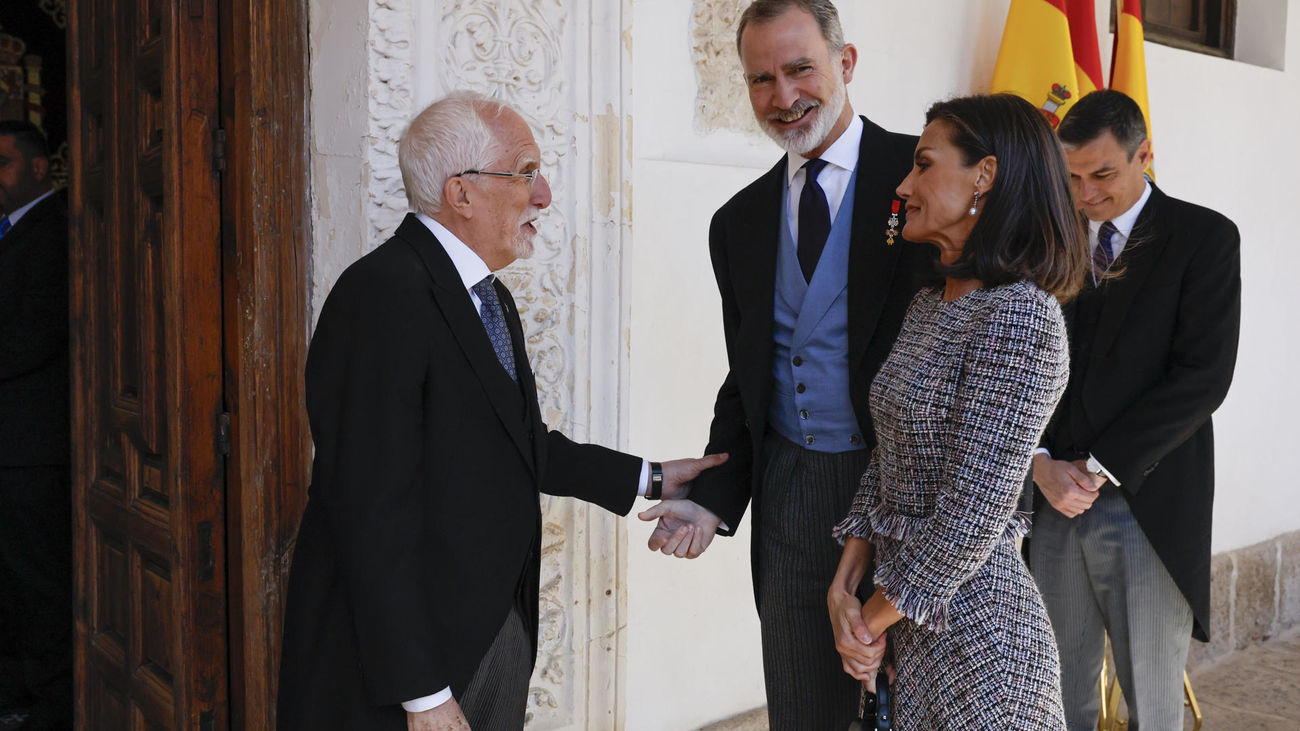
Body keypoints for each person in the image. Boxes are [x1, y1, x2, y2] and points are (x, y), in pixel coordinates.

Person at [276, 91, 725, 730]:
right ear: (461, 193)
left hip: (487, 627)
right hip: (408, 664)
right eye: (525, 173)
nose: (542, 195)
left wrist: (650, 478)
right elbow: (368, 507)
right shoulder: (381, 294)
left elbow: (517, 443)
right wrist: (423, 693)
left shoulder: (487, 296)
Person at [636, 1, 929, 725]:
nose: (783, 96)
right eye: (761, 79)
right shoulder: (737, 222)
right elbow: (750, 377)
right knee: (804, 709)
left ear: (846, 63)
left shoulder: (927, 174)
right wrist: (714, 494)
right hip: (793, 498)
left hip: (914, 496)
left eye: (800, 69)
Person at [826, 93, 1090, 729]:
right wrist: (843, 586)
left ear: (985, 174)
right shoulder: (928, 307)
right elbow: (889, 465)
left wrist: (866, 619)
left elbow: (969, 519)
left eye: (922, 164)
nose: (903, 184)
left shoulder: (1022, 317)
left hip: (983, 651)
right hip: (912, 637)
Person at [1029, 89, 1241, 730]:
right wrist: (1038, 463)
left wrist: (1096, 466)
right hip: (1048, 502)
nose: (1085, 194)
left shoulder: (1204, 238)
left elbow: (1202, 378)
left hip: (1149, 504)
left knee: (1151, 702)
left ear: (1144, 155)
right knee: (1054, 698)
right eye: (1070, 177)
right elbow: (1021, 365)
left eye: (1102, 175)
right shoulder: (1044, 240)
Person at [0, 120, 72, 731]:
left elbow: (33, 336)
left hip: (31, 446)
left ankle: (52, 706)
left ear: (39, 167)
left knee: (38, 578)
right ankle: (19, 690)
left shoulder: (57, 231)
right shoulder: (9, 233)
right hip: (11, 446)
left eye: (2, 163)